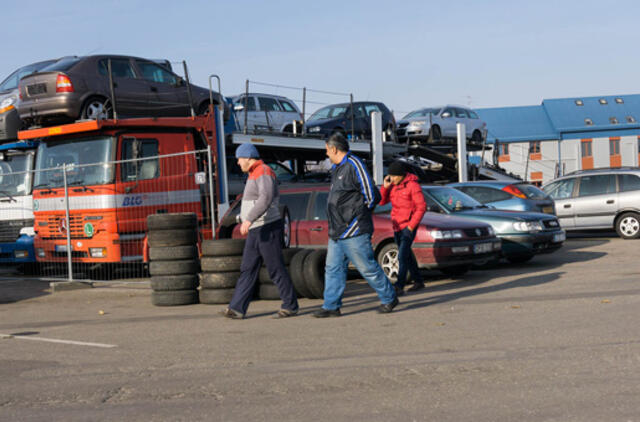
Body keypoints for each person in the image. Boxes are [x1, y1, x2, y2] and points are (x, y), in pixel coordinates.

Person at [313, 133, 398, 317]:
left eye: (327, 150)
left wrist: (356, 219)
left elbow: (371, 196)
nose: (326, 153)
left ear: (334, 148)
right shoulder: (337, 169)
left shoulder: (354, 164)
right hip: (337, 231)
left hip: (353, 229)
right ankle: (331, 306)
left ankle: (389, 297)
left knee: (367, 267)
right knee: (333, 268)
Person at [220, 143, 299, 319]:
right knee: (247, 268)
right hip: (257, 229)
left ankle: (290, 305)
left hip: (267, 227)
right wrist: (243, 218)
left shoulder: (263, 172)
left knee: (275, 268)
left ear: (248, 157)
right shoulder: (254, 174)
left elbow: (266, 198)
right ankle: (237, 308)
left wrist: (249, 219)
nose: (239, 163)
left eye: (240, 159)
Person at [379, 161, 427, 296]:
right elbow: (382, 201)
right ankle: (418, 281)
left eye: (394, 176)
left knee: (401, 255)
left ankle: (399, 286)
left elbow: (421, 207)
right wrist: (385, 187)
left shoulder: (413, 186)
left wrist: (411, 226)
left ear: (401, 175)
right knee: (406, 255)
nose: (392, 179)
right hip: (396, 225)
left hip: (408, 226)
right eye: (390, 176)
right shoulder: (393, 186)